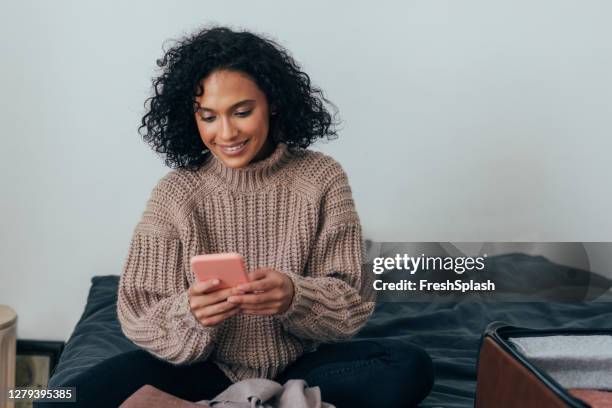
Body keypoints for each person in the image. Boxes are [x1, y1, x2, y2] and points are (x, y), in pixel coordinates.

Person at [42, 26, 434, 407]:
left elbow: (353, 300)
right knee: (56, 400)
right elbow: (140, 313)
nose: (225, 133)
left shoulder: (322, 178)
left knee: (408, 366)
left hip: (303, 367)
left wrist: (296, 296)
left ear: (273, 103)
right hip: (205, 368)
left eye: (241, 112)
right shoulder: (175, 193)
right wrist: (190, 313)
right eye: (208, 116)